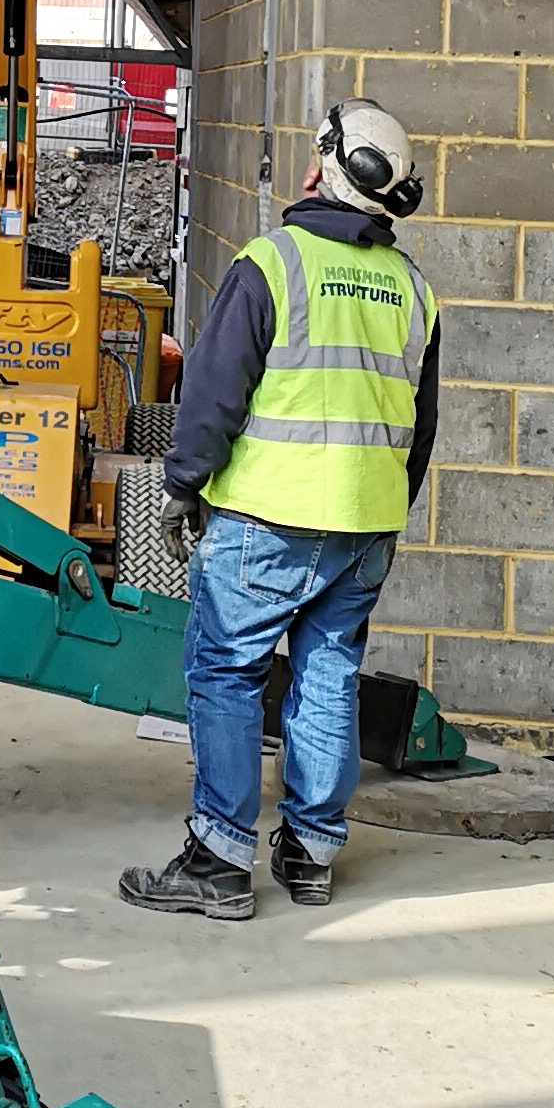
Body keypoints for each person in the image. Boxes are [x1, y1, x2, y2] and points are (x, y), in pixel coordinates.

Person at [120, 99, 441, 922]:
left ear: (324, 167)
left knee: (229, 671)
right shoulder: (413, 291)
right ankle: (311, 852)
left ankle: (220, 860)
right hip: (367, 526)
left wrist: (183, 483)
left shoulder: (274, 264)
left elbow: (212, 394)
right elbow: (422, 424)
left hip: (269, 517)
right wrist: (383, 508)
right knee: (328, 673)